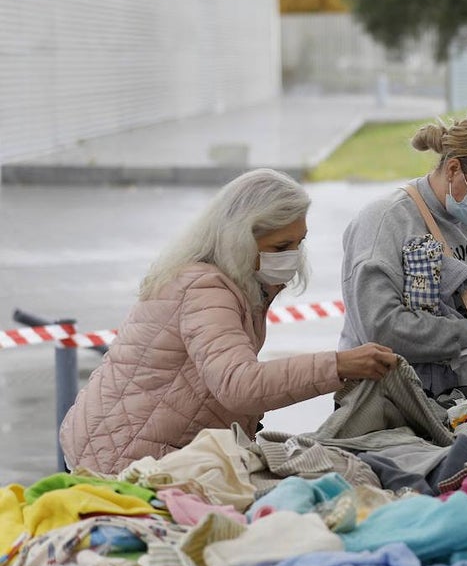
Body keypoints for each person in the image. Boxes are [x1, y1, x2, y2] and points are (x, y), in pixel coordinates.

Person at [60, 169, 397, 474]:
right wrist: (339, 365)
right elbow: (239, 385)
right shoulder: (205, 289)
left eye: (299, 242)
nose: (293, 256)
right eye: (281, 245)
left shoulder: (238, 283)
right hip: (124, 458)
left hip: (135, 444)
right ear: (240, 238)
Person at [339, 115, 467, 400]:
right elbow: (381, 328)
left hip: (466, 400)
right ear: (454, 169)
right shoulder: (386, 221)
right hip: (396, 406)